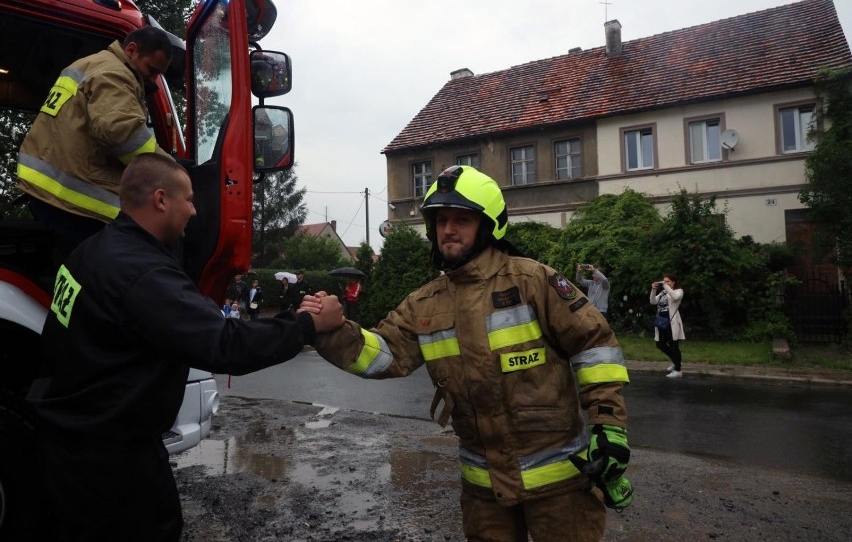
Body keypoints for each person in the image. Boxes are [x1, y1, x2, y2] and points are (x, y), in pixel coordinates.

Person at [26, 152, 343, 542]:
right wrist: (308, 325)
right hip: (110, 462)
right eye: (190, 199)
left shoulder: (91, 252)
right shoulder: (142, 273)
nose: (195, 211)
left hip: (74, 443)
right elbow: (225, 344)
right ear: (161, 200)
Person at [307, 165, 633, 541]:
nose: (448, 230)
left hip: (560, 487)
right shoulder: (424, 304)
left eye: (461, 219)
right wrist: (332, 330)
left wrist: (608, 425)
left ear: (489, 225)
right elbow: (383, 355)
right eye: (441, 219)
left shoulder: (532, 282)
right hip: (484, 491)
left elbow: (594, 345)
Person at [16, 26, 176, 265]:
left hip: (49, 190)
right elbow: (123, 135)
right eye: (151, 70)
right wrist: (173, 172)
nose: (152, 80)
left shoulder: (90, 64)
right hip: (72, 200)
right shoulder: (116, 74)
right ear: (132, 50)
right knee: (96, 279)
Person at [650, 274, 685, 378]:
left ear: (673, 282)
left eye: (668, 281)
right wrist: (653, 290)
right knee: (660, 344)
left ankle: (678, 370)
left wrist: (666, 287)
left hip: (672, 322)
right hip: (662, 321)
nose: (665, 283)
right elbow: (653, 301)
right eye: (664, 281)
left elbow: (675, 297)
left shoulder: (679, 291)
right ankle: (676, 361)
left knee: (674, 345)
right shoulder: (663, 292)